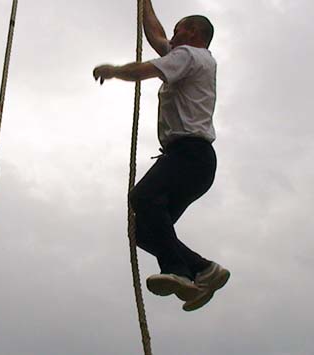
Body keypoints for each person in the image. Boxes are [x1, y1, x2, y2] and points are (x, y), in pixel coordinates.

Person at [93, 0, 229, 312]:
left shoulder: (188, 55)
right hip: (197, 162)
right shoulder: (191, 58)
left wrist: (115, 71)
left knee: (142, 198)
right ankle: (203, 270)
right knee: (144, 231)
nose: (172, 33)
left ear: (192, 32)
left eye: (178, 27)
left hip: (189, 155)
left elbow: (147, 69)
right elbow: (155, 33)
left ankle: (177, 270)